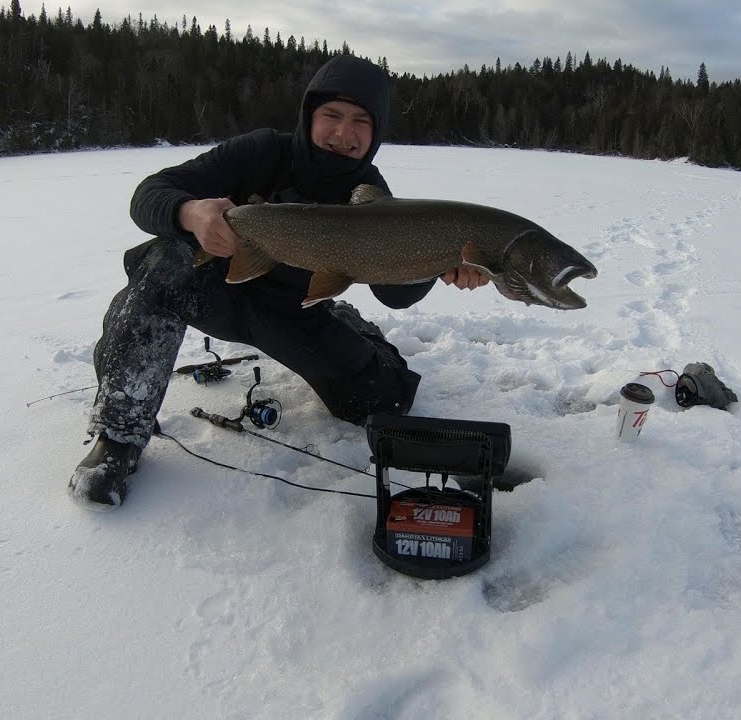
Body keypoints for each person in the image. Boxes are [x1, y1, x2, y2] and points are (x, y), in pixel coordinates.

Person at [68, 55, 487, 511]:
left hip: (292, 313)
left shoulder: (370, 194)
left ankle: (351, 324)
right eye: (331, 115)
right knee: (164, 260)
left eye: (360, 122)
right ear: (309, 115)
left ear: (376, 132)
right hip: (215, 291)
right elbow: (150, 193)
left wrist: (437, 264)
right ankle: (117, 439)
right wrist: (191, 212)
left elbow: (394, 293)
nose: (343, 133)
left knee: (383, 402)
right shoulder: (262, 151)